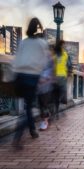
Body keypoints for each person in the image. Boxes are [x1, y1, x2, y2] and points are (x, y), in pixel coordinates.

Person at [12, 17, 50, 145]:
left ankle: (32, 130)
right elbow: (44, 62)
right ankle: (19, 134)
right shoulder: (42, 43)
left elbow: (16, 60)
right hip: (33, 77)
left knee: (27, 106)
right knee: (29, 107)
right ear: (39, 29)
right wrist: (42, 76)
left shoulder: (23, 42)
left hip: (20, 76)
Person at [53, 40, 72, 120]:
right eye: (62, 45)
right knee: (56, 95)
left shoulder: (65, 54)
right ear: (59, 45)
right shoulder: (54, 54)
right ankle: (55, 111)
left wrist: (69, 72)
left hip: (62, 77)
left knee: (61, 93)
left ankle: (56, 109)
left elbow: (69, 65)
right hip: (54, 77)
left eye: (64, 45)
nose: (63, 47)